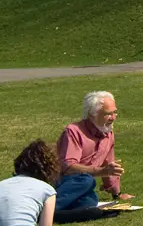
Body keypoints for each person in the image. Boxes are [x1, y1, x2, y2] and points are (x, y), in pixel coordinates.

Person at [54, 90, 131, 218]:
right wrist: (101, 171)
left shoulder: (108, 133)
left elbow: (109, 164)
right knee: (86, 180)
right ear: (92, 115)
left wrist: (117, 194)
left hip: (83, 184)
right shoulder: (74, 131)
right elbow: (68, 167)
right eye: (108, 114)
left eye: (115, 112)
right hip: (63, 181)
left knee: (90, 202)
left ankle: (58, 214)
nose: (113, 118)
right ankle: (45, 210)